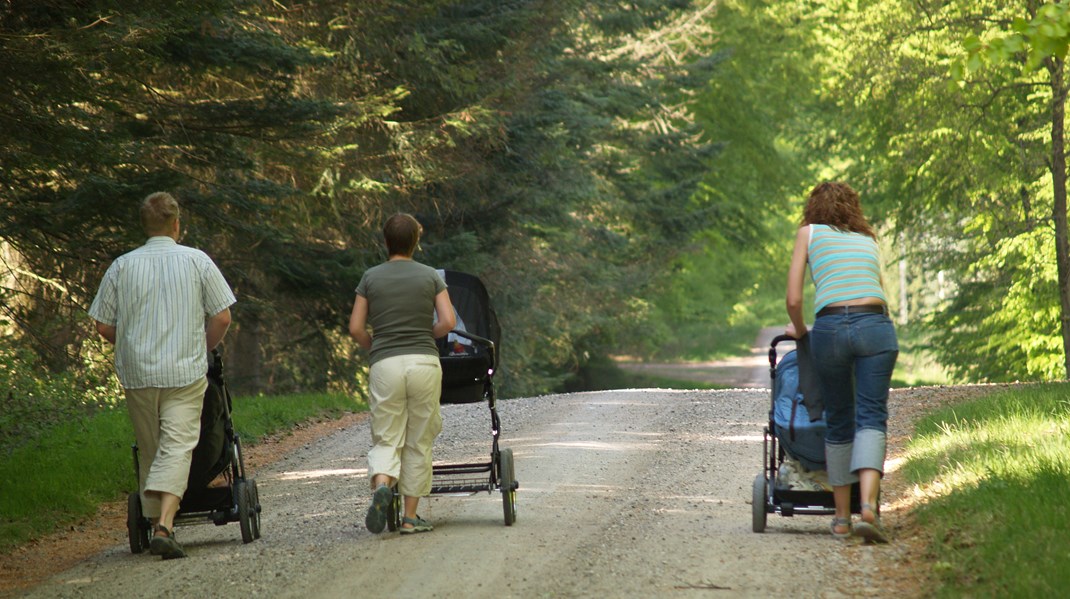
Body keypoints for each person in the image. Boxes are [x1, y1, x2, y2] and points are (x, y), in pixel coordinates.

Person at [89, 192, 236, 559]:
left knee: (152, 447)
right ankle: (165, 527)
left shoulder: (122, 266)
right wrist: (202, 349)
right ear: (176, 225)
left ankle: (157, 523)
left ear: (145, 226)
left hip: (138, 373)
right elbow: (222, 317)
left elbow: (103, 326)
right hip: (185, 371)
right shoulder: (197, 261)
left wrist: (134, 343)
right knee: (177, 446)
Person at [785, 181, 898, 544]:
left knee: (839, 420)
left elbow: (793, 300)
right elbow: (878, 290)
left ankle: (840, 519)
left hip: (831, 328)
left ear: (813, 208)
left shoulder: (809, 233)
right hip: (876, 325)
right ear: (854, 208)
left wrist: (802, 332)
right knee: (871, 416)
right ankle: (868, 509)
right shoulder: (869, 239)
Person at [349, 213, 456, 535]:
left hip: (386, 364)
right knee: (419, 438)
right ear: (416, 242)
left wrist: (375, 345)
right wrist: (428, 334)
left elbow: (355, 328)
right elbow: (448, 321)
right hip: (423, 361)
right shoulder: (429, 277)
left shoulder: (370, 277)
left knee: (387, 435)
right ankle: (410, 518)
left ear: (385, 242)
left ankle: (382, 484)